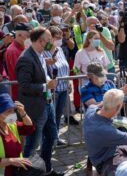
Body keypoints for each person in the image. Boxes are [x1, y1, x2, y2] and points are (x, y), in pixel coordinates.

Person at [15, 27, 64, 176]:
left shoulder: (41, 54)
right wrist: (45, 86)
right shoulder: (26, 58)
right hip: (36, 108)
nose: (52, 43)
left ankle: (45, 169)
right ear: (40, 40)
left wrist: (48, 80)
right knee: (32, 145)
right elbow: (24, 86)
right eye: (49, 40)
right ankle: (25, 173)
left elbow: (41, 74)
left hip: (48, 104)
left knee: (51, 137)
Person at [84, 89, 127, 176]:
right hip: (105, 162)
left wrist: (113, 96)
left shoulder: (90, 111)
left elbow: (98, 105)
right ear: (118, 107)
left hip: (97, 153)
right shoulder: (106, 130)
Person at [42, 26, 73, 145]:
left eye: (61, 36)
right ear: (49, 38)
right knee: (50, 116)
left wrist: (69, 81)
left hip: (63, 88)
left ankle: (56, 137)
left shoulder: (59, 49)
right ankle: (49, 139)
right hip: (53, 89)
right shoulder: (45, 50)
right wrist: (47, 60)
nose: (60, 38)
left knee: (58, 115)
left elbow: (65, 66)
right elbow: (41, 62)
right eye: (57, 36)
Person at [0, 93, 35, 176]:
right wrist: (11, 161)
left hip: (17, 172)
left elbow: (29, 128)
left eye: (13, 110)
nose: (13, 114)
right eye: (8, 111)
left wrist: (23, 113)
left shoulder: (11, 124)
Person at [5, 23, 32, 100]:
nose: (30, 38)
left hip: (27, 90)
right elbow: (20, 72)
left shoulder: (25, 47)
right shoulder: (13, 50)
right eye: (28, 36)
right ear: (19, 35)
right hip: (20, 93)